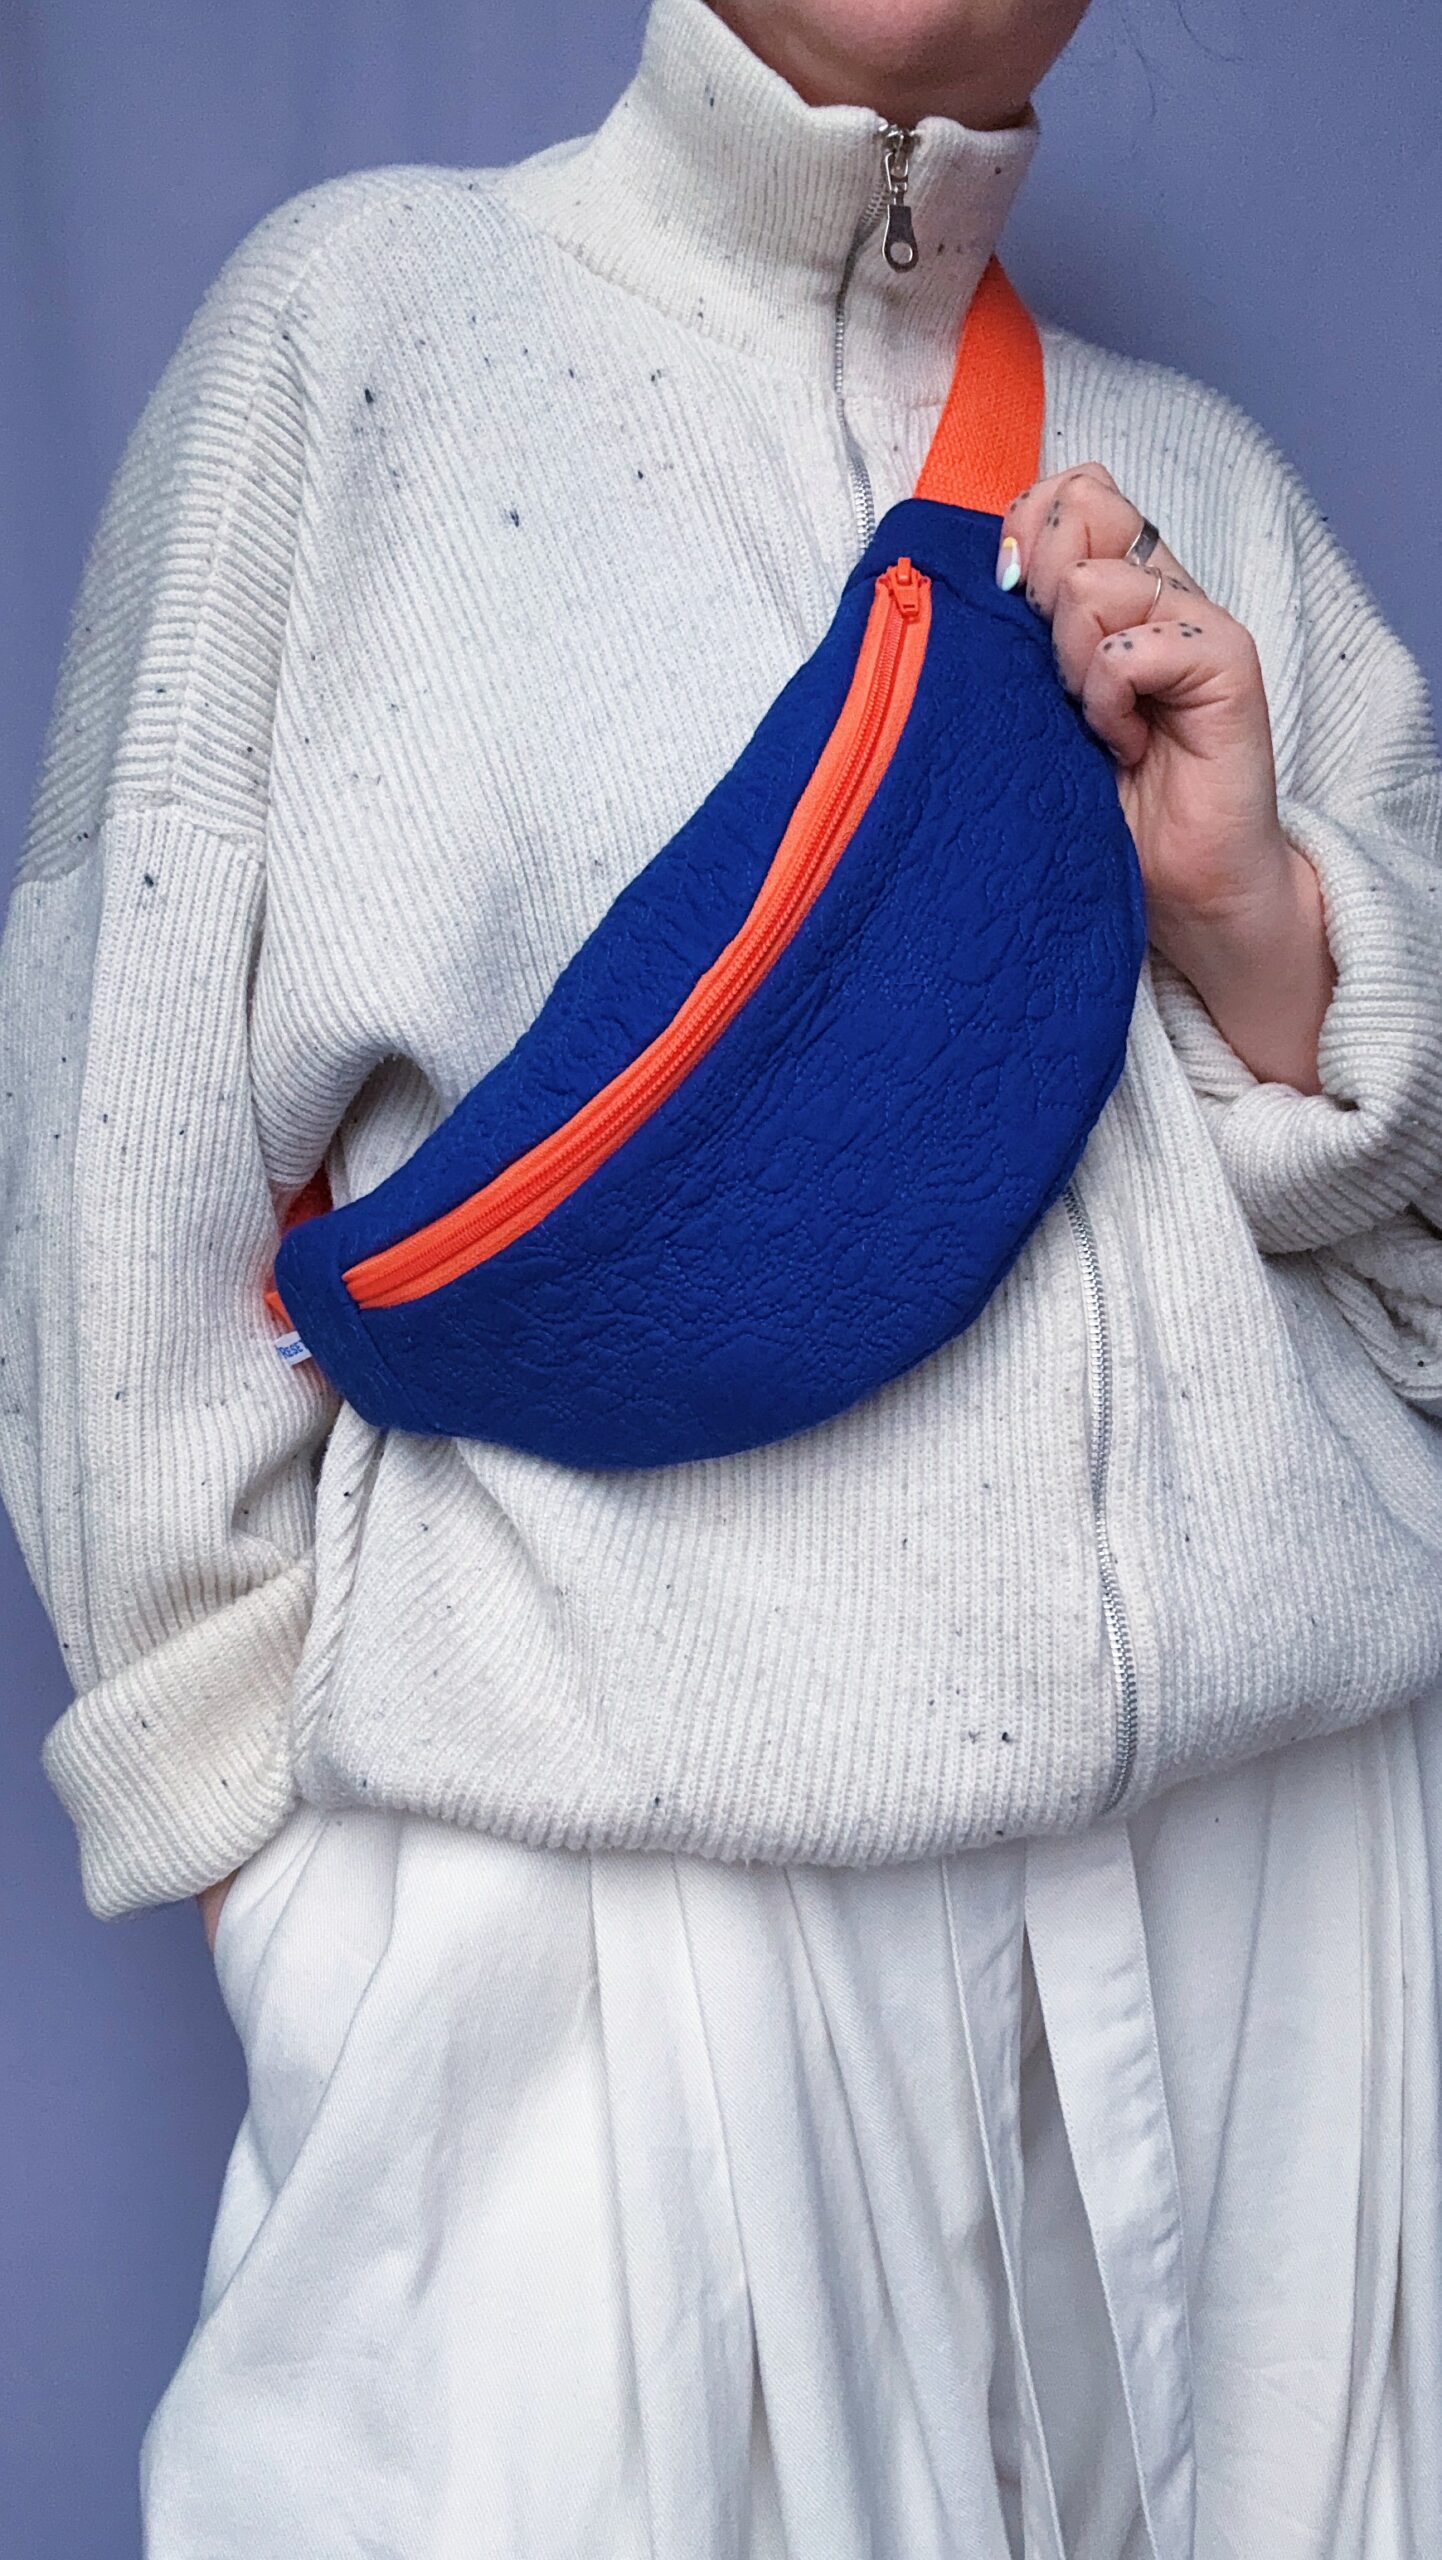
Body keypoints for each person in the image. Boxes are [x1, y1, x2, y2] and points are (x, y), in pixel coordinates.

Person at [3, 0, 1441, 2548]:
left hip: (1283, 1934)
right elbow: (118, 1155)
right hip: (628, 1951)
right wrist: (302, 1898)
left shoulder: (1202, 484)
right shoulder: (359, 332)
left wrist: (1267, 943)